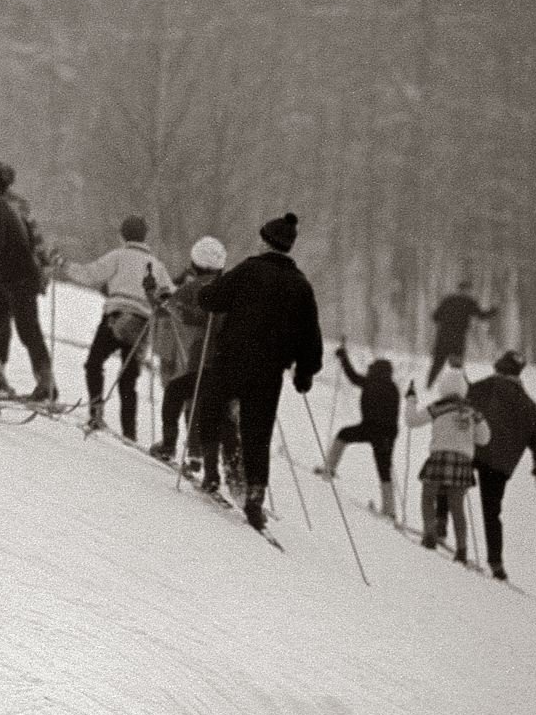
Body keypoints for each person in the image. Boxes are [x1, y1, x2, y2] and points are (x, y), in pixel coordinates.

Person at [194, 213, 323, 529]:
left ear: (266, 241)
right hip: (269, 372)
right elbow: (310, 334)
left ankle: (211, 470)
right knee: (257, 433)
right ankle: (255, 496)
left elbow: (213, 299)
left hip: (233, 359)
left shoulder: (250, 269)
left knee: (210, 406)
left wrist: (203, 292)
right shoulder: (301, 286)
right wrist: (305, 372)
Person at [61, 214, 174, 436]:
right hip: (142, 324)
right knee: (128, 379)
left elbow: (90, 274)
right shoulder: (157, 266)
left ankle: (96, 413)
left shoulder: (119, 256)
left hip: (116, 317)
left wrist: (63, 265)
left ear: (123, 235)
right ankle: (129, 432)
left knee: (94, 363)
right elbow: (169, 295)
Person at [0, 161, 55, 401]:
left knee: (26, 328)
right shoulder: (13, 205)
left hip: (19, 276)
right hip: (10, 275)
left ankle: (45, 380)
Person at [149, 237, 230, 466]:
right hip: (226, 360)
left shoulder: (195, 286)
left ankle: (171, 446)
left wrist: (161, 298)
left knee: (184, 395)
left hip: (204, 355)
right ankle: (197, 455)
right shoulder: (228, 287)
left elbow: (178, 312)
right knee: (200, 401)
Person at [467, 350, 536, 581]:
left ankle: (440, 525)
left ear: (500, 366)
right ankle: (496, 562)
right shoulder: (529, 404)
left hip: (479, 452)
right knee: (492, 512)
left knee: (450, 478)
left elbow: (466, 394)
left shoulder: (492, 385)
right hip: (501, 466)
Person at [405, 369, 490, 561]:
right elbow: (484, 438)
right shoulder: (473, 412)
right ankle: (461, 549)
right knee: (456, 505)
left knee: (428, 496)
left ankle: (429, 535)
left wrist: (411, 400)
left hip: (439, 456)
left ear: (443, 387)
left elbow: (412, 421)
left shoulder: (438, 407)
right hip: (463, 461)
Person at [314, 345, 401, 516]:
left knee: (343, 434)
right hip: (387, 434)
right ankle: (389, 509)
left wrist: (343, 358)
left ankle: (329, 469)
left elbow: (353, 377)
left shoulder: (371, 381)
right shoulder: (392, 388)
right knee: (384, 468)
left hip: (370, 427)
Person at [427, 280, 499, 386]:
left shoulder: (448, 300)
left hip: (443, 337)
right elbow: (482, 316)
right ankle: (459, 389)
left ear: (458, 289)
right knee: (457, 367)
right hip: (457, 339)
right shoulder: (469, 302)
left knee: (437, 364)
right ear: (468, 290)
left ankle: (428, 386)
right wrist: (493, 311)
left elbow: (435, 317)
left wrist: (446, 322)